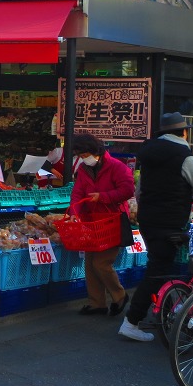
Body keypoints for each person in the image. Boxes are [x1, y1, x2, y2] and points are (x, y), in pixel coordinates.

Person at [119, 112, 193, 342]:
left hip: (148, 220)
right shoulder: (184, 155)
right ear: (184, 132)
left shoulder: (148, 154)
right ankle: (131, 321)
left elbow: (139, 191)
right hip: (170, 221)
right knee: (158, 272)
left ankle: (167, 315)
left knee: (162, 268)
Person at [68, 133, 135, 317]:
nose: (83, 159)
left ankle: (120, 295)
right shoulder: (83, 170)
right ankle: (97, 303)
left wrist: (102, 196)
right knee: (90, 262)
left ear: (94, 151)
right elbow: (78, 193)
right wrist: (74, 213)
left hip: (112, 220)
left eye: (84, 155)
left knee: (102, 262)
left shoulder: (116, 167)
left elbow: (128, 190)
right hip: (92, 221)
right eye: (80, 157)